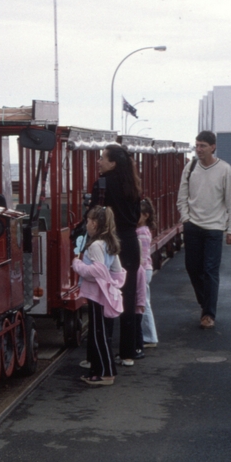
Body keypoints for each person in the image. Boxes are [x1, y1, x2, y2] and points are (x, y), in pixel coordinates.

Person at [176, 130, 231, 329]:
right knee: (193, 268)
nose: (199, 149)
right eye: (197, 145)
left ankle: (209, 313)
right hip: (193, 225)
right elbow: (182, 197)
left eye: (203, 146)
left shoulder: (224, 170)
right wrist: (186, 219)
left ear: (213, 147)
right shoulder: (191, 167)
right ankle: (206, 301)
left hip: (214, 228)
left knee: (210, 270)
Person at [90, 144, 142, 365]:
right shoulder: (134, 186)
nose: (99, 161)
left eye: (103, 158)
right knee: (128, 297)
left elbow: (93, 216)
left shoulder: (102, 184)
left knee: (104, 298)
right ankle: (128, 352)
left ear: (113, 163)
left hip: (108, 244)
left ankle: (101, 356)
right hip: (131, 243)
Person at [72, 206, 125, 386]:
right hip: (107, 295)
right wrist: (113, 285)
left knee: (98, 334)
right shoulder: (110, 243)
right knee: (102, 333)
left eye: (88, 221)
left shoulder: (95, 245)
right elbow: (118, 272)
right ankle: (98, 370)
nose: (86, 224)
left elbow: (97, 271)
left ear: (95, 224)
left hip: (97, 296)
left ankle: (106, 373)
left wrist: (77, 265)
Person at [137, 199, 158, 349]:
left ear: (145, 215)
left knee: (143, 303)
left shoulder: (142, 233)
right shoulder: (144, 231)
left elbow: (142, 257)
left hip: (143, 270)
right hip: (146, 269)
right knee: (144, 302)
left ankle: (150, 337)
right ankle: (148, 335)